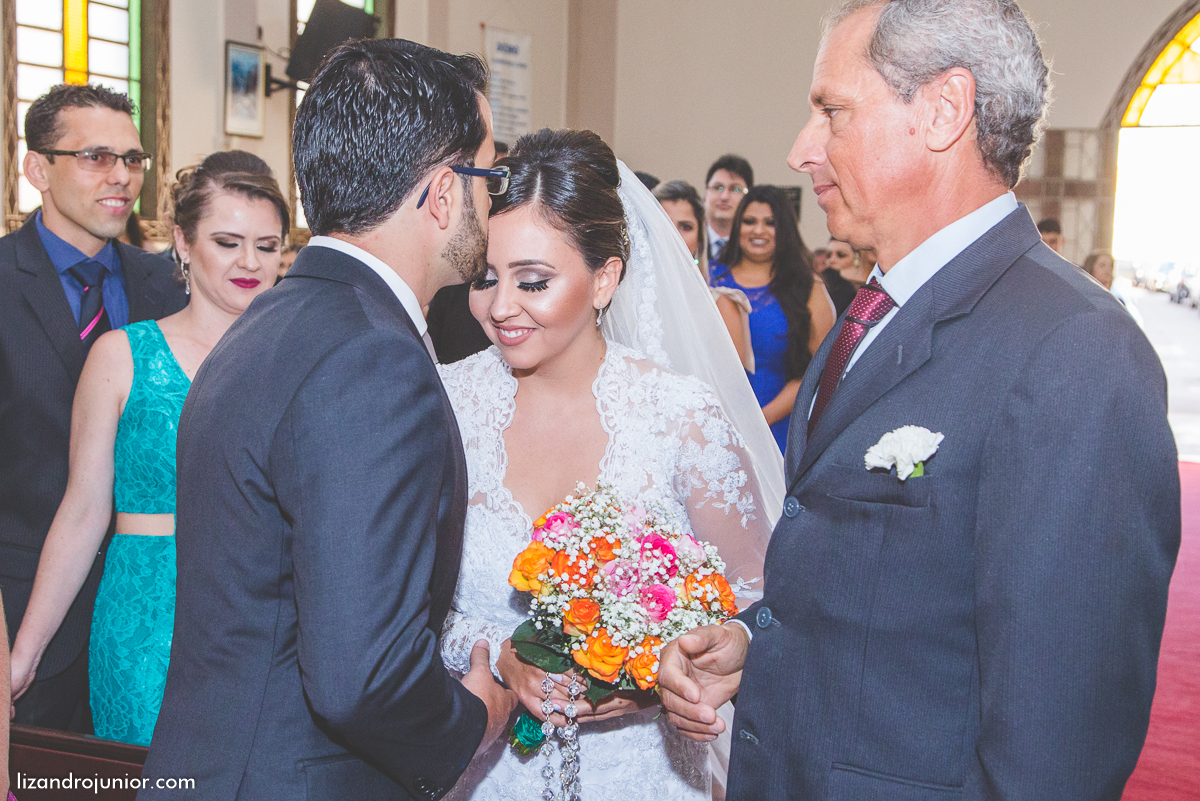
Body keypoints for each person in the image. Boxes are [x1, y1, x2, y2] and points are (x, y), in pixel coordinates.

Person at [659, 3, 1180, 801]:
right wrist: (756, 646)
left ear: (943, 110)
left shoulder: (1076, 351)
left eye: (832, 111)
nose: (802, 149)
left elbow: (1056, 753)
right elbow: (886, 595)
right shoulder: (871, 310)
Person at [139, 39, 516, 801]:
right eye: (489, 177)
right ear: (444, 193)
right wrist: (479, 714)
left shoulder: (271, 320)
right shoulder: (371, 357)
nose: (492, 202)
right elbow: (359, 676)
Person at [436, 128, 784, 801]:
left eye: (533, 281)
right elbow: (409, 608)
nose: (501, 306)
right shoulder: (445, 405)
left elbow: (762, 600)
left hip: (643, 772)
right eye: (485, 277)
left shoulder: (679, 415)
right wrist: (499, 653)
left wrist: (665, 668)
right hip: (488, 773)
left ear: (605, 277)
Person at [9, 152, 286, 746]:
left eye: (267, 246)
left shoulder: (300, 361)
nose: (249, 262)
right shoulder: (120, 355)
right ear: (183, 243)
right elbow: (82, 512)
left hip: (266, 620)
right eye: (228, 241)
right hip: (143, 620)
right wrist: (22, 654)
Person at [0, 83, 187, 733]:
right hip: (25, 620)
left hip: (154, 618)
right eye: (96, 157)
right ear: (36, 169)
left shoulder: (168, 285)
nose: (122, 177)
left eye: (133, 159)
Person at [710, 186, 836, 453]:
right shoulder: (709, 278)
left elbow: (816, 371)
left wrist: (759, 421)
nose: (758, 231)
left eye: (770, 223)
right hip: (713, 423)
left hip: (778, 430)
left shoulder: (809, 289)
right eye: (749, 221)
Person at [654, 179, 752, 369]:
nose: (673, 234)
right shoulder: (613, 299)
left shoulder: (720, 306)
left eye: (685, 227)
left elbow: (731, 390)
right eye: (663, 222)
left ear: (700, 241)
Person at [703, 155, 753, 261]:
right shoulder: (690, 239)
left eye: (735, 189)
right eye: (717, 187)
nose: (724, 197)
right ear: (705, 193)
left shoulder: (755, 245)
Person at [1083, 250, 1145, 327]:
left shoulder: (1117, 301)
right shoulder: (1083, 297)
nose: (1107, 269)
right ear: (1091, 267)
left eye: (1111, 266)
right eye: (1102, 265)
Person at [820, 237, 857, 315]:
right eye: (828, 255)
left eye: (841, 255)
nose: (832, 260)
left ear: (857, 258)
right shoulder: (821, 284)